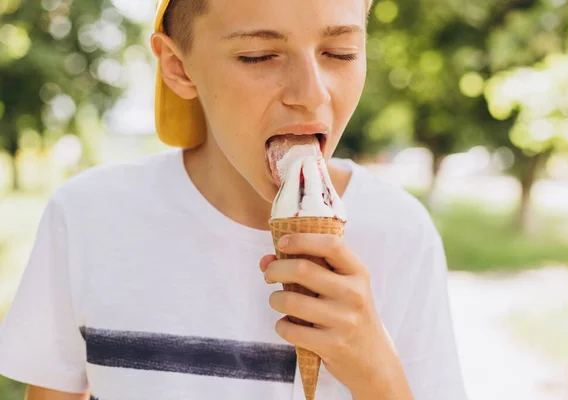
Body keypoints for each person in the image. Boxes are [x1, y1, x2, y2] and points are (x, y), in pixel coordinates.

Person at [0, 0, 467, 399]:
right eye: (259, 56)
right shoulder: (86, 218)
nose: (311, 94)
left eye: (339, 52)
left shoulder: (401, 234)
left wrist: (375, 374)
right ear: (179, 67)